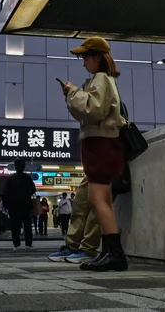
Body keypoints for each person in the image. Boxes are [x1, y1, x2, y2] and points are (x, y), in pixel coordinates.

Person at [62, 37, 128, 271]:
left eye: (86, 58)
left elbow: (92, 109)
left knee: (97, 199)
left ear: (98, 57)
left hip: (100, 144)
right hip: (104, 143)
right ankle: (110, 251)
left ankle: (115, 254)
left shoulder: (100, 78)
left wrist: (72, 92)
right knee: (103, 200)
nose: (84, 63)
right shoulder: (104, 79)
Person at [3, 159, 36, 251]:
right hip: (26, 205)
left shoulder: (10, 178)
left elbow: (5, 193)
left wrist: (6, 205)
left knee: (15, 226)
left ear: (15, 166)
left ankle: (16, 244)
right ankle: (28, 244)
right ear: (24, 166)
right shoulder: (27, 178)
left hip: (13, 206)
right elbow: (33, 190)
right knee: (27, 225)